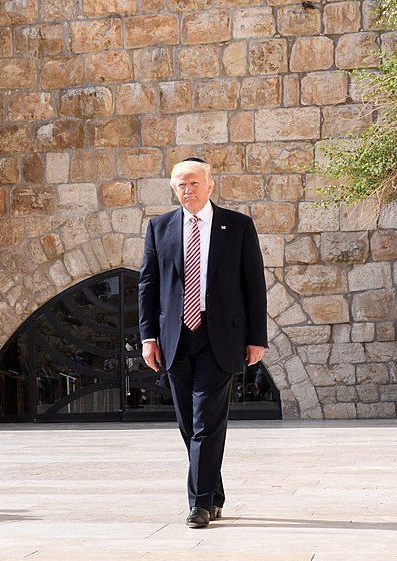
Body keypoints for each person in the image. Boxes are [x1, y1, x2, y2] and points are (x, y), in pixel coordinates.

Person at [138, 158, 267, 528]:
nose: (188, 190)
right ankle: (214, 492)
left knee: (205, 422)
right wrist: (148, 337)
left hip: (220, 337)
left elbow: (253, 284)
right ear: (173, 189)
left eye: (194, 182)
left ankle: (198, 505)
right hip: (174, 339)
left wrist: (256, 337)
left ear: (211, 185)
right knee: (188, 425)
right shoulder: (159, 227)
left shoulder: (237, 226)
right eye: (181, 184)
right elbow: (148, 285)